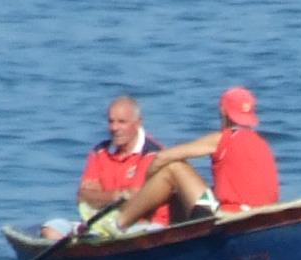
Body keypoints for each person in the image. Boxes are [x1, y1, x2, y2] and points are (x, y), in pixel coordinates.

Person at [104, 85, 281, 230]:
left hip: (230, 217)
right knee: (185, 186)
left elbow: (162, 157)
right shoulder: (263, 145)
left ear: (223, 112)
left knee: (174, 169)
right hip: (261, 217)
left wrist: (146, 188)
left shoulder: (224, 138)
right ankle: (165, 228)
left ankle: (118, 224)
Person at [75, 95, 166, 224]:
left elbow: (134, 201)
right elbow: (81, 197)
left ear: (138, 123)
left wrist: (97, 196)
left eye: (121, 122)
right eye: (111, 121)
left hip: (145, 226)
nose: (114, 128)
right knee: (51, 230)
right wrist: (116, 196)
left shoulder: (152, 153)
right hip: (103, 222)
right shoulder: (99, 151)